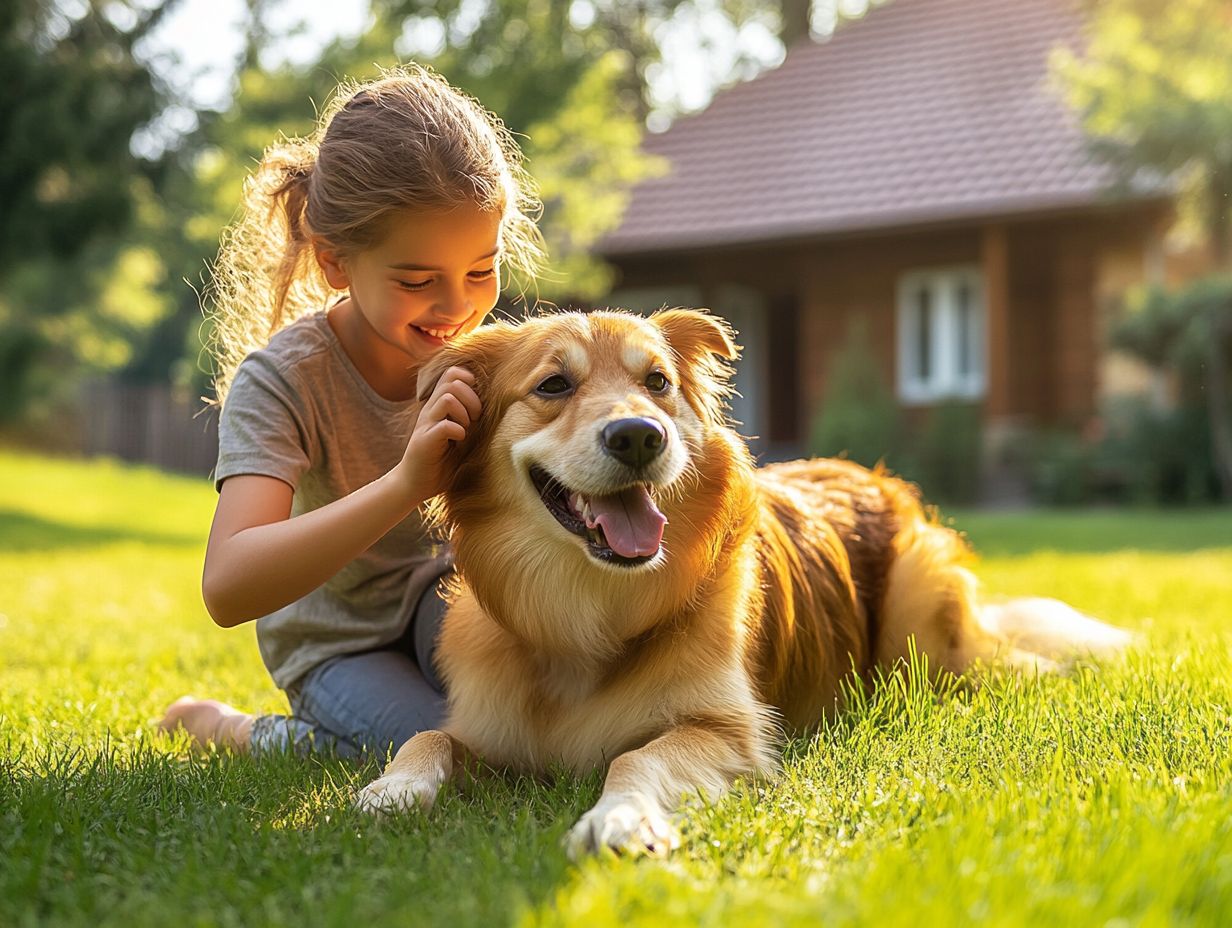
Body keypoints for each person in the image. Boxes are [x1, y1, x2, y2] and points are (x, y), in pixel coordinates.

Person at [159, 64, 544, 759]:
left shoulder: (486, 361)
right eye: (417, 280)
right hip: (336, 641)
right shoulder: (283, 380)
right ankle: (236, 732)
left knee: (530, 729)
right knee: (452, 753)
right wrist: (406, 483)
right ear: (336, 263)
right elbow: (228, 584)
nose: (456, 307)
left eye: (480, 271)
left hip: (444, 602)